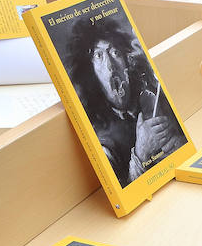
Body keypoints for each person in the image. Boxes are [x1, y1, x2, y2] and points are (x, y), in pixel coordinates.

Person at [64, 15, 185, 188]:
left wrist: (177, 144)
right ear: (90, 72)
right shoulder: (100, 139)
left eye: (115, 53)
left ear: (127, 61)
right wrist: (142, 152)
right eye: (99, 56)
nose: (110, 66)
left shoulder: (153, 95)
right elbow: (123, 191)